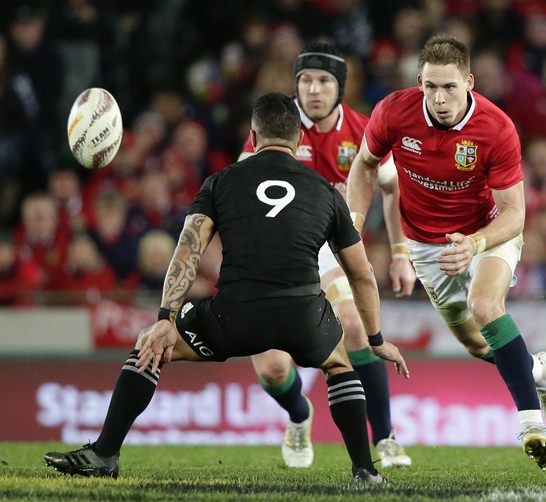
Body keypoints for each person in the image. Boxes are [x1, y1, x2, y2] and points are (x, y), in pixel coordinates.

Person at [44, 92, 409, 483]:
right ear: (301, 141)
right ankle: (364, 470)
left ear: (253, 136)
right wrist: (375, 336)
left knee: (151, 341)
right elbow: (362, 273)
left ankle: (104, 453)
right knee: (339, 364)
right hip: (302, 314)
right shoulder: (324, 191)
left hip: (235, 315)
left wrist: (167, 318)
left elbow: (187, 250)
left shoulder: (220, 182)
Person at [346, 35, 546, 470]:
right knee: (475, 342)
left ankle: (531, 424)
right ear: (419, 82)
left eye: (449, 87)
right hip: (426, 244)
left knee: (484, 305)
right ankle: (541, 372)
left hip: (488, 233)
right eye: (430, 86)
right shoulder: (394, 112)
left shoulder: (496, 128)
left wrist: (475, 243)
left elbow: (515, 213)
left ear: (468, 82)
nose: (440, 98)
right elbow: (365, 163)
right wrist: (354, 222)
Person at [239, 42, 416, 469]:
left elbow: (393, 189)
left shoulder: (363, 132)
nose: (313, 90)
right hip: (277, 258)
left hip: (332, 251)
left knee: (355, 326)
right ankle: (299, 416)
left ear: (340, 87)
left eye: (323, 81)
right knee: (274, 372)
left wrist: (399, 252)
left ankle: (386, 437)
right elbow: (239, 193)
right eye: (305, 81)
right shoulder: (275, 129)